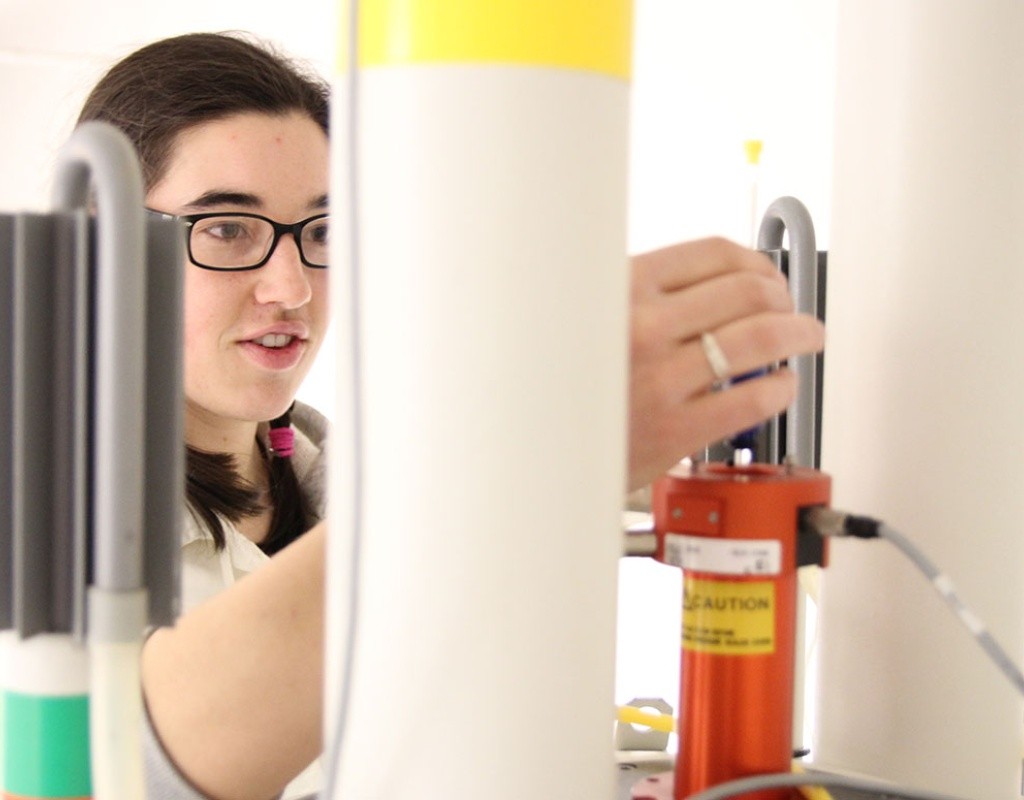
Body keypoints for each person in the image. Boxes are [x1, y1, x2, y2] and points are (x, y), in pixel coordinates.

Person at [75, 31, 824, 800]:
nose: (291, 287)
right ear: (106, 245)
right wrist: (515, 454)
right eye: (228, 227)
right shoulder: (51, 512)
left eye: (322, 229)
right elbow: (94, 776)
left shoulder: (339, 470)